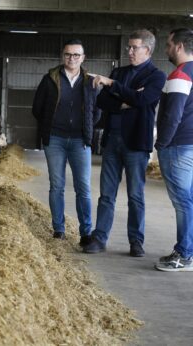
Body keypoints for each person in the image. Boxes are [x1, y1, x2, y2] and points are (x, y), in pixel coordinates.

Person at [82, 29, 166, 256]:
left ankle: (136, 241)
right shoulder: (119, 71)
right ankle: (99, 238)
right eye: (128, 47)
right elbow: (103, 101)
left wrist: (113, 85)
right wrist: (125, 100)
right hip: (112, 140)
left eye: (134, 47)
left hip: (136, 142)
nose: (129, 51)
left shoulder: (156, 76)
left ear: (147, 50)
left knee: (135, 195)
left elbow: (144, 99)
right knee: (106, 194)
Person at [32, 39, 101, 245]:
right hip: (55, 139)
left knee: (83, 187)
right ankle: (59, 229)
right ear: (63, 56)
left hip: (80, 140)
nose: (72, 58)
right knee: (57, 185)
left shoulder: (91, 82)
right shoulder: (50, 79)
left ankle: (86, 233)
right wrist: (50, 126)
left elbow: (97, 111)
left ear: (83, 58)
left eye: (76, 55)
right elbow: (37, 108)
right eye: (68, 54)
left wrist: (85, 128)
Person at [155, 28, 193, 271]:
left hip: (178, 146)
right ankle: (187, 250)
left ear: (179, 47)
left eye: (169, 45)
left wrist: (161, 143)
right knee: (188, 200)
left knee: (182, 202)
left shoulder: (180, 75)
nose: (166, 49)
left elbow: (172, 115)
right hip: (189, 145)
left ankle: (184, 254)